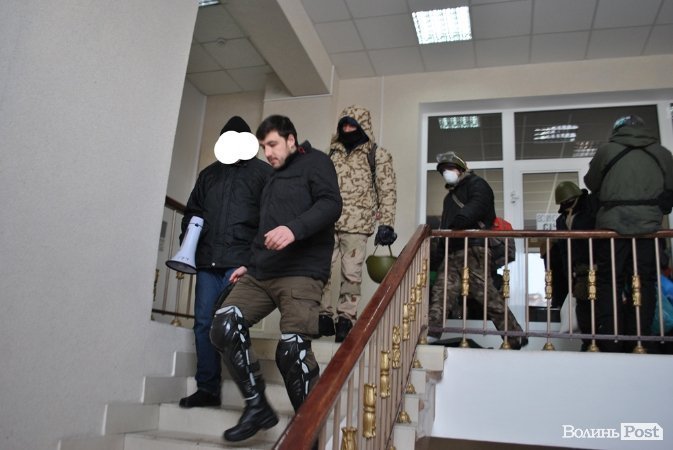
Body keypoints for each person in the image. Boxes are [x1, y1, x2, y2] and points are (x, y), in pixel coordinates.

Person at [209, 115, 342, 442]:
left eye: (272, 144)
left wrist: (294, 229)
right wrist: (248, 263)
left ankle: (309, 435)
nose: (267, 152)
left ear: (291, 140)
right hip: (262, 272)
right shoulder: (272, 178)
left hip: (301, 271)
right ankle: (257, 407)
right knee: (224, 324)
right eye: (262, 147)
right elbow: (264, 228)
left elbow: (331, 205)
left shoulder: (317, 163)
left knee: (291, 352)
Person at [178, 116, 272, 408]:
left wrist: (256, 260)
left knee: (232, 326)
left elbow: (271, 219)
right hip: (208, 263)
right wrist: (188, 243)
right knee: (203, 323)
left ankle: (251, 393)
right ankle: (207, 389)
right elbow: (193, 212)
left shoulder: (263, 174)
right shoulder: (208, 175)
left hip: (241, 263)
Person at [584, 115, 673, 353]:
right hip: (649, 229)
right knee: (645, 282)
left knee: (608, 282)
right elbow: (670, 188)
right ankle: (640, 338)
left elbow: (591, 182)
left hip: (611, 228)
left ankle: (611, 338)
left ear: (616, 130)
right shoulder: (662, 153)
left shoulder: (606, 151)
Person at [428, 151, 526, 349]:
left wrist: (460, 221)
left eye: (450, 168)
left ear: (461, 169)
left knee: (485, 294)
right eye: (443, 170)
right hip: (452, 250)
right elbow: (446, 226)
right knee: (442, 291)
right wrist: (438, 255)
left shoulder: (477, 184)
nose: (447, 173)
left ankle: (515, 336)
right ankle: (432, 332)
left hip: (474, 248)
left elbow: (478, 205)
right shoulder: (449, 198)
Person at [321, 105, 397, 342]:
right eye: (343, 124)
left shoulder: (377, 154)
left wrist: (386, 223)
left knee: (351, 274)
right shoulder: (331, 153)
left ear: (363, 126)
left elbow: (387, 190)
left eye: (352, 124)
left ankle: (346, 318)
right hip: (327, 222)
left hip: (358, 224)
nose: (347, 128)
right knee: (320, 269)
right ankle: (322, 315)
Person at [551, 181, 596, 350]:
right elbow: (564, 250)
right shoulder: (561, 220)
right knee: (583, 310)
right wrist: (568, 273)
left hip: (599, 267)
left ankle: (603, 344)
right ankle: (588, 343)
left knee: (603, 308)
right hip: (579, 271)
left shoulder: (592, 208)